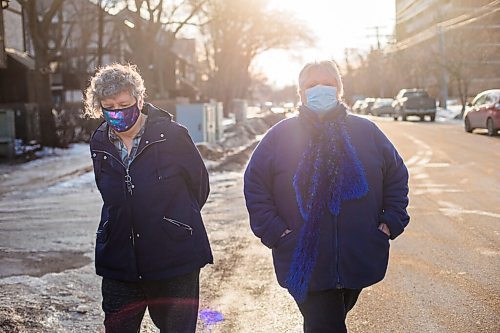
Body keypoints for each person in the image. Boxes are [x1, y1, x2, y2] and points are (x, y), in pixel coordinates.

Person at [243, 60, 409, 333]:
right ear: (301, 93)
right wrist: (275, 231)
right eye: (311, 85)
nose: (320, 89)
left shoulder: (367, 132)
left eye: (328, 84)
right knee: (325, 323)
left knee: (330, 319)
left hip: (358, 255)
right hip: (302, 258)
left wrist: (391, 220)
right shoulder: (280, 135)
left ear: (340, 90)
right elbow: (255, 186)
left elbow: (396, 176)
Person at [84, 63, 212, 333]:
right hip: (120, 260)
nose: (117, 112)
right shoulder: (99, 141)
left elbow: (199, 187)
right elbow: (108, 192)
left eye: (123, 103)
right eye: (109, 106)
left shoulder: (173, 136)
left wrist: (173, 222)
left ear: (139, 100)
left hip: (174, 259)